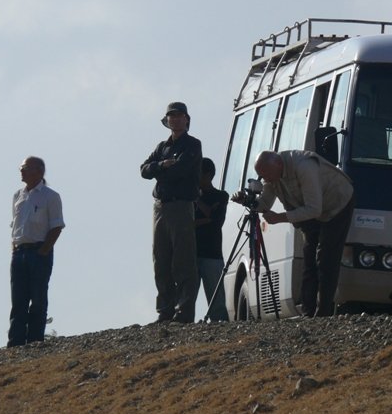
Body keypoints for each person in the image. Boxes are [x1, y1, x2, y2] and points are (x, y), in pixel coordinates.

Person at [233, 150, 354, 317]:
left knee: (326, 258)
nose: (264, 180)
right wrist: (247, 201)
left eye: (266, 175)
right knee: (309, 258)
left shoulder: (304, 167)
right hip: (310, 210)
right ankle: (307, 312)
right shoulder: (273, 174)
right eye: (261, 176)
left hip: (337, 204)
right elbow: (265, 203)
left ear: (278, 165)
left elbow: (314, 208)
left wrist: (280, 218)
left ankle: (323, 313)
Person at [140, 101, 202, 323]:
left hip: (181, 206)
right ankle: (165, 310)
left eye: (179, 115)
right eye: (171, 116)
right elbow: (144, 170)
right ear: (166, 120)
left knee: (183, 260)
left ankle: (184, 311)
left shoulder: (193, 145)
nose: (174, 119)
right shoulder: (161, 147)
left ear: (186, 119)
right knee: (161, 260)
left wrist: (161, 169)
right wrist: (162, 166)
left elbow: (182, 170)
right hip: (161, 207)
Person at [8, 156, 65, 347]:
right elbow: (14, 225)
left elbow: (56, 226)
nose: (21, 171)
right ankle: (15, 342)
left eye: (25, 168)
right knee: (18, 300)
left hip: (38, 252)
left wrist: (43, 250)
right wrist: (14, 247)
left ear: (39, 171)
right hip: (19, 252)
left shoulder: (50, 196)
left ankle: (34, 341)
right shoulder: (18, 196)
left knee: (38, 298)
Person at [195, 157, 230, 322]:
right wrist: (206, 217)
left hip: (212, 254)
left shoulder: (221, 195)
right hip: (192, 253)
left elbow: (217, 221)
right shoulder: (190, 198)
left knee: (217, 303)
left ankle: (220, 327)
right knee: (186, 298)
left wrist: (198, 202)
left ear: (208, 175)